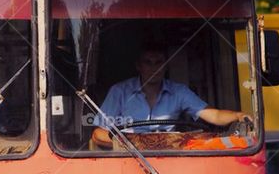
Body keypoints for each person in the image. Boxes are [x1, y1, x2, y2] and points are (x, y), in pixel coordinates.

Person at [91, 43, 249, 148]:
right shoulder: (119, 91)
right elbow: (98, 134)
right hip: (130, 158)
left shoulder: (179, 92)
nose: (154, 68)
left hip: (171, 155)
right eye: (148, 62)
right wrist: (130, 144)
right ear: (138, 66)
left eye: (159, 62)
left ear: (166, 66)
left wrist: (238, 115)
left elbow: (214, 115)